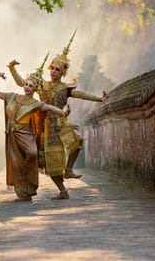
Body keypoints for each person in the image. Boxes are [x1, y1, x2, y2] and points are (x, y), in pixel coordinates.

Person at [7, 31, 108, 199]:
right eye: (52, 68)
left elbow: (81, 94)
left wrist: (98, 98)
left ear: (63, 72)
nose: (53, 71)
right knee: (50, 160)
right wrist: (12, 69)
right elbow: (21, 83)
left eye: (57, 69)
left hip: (61, 123)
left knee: (78, 140)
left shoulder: (65, 88)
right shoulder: (42, 86)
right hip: (46, 127)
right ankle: (63, 191)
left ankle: (68, 170)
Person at [0, 63, 69, 202]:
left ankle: (31, 184)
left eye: (30, 85)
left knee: (32, 153)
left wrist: (62, 112)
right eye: (26, 84)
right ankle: (23, 193)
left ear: (35, 88)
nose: (27, 87)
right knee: (16, 163)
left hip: (26, 134)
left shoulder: (35, 103)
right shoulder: (12, 96)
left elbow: (49, 107)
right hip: (12, 135)